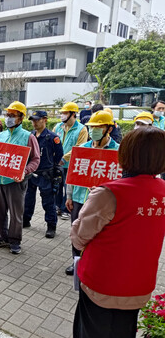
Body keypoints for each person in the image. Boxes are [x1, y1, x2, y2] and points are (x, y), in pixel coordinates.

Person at [71, 127, 165, 338]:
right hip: (138, 285)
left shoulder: (109, 192)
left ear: (126, 154)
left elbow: (80, 238)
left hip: (101, 284)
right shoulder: (162, 192)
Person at [64, 111, 119, 276]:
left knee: (100, 234)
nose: (94, 130)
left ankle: (96, 264)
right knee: (77, 231)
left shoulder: (117, 151)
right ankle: (77, 261)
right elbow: (72, 175)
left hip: (102, 203)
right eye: (92, 127)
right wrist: (69, 196)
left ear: (108, 129)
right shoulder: (82, 149)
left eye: (98, 127)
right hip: (80, 198)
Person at [0, 101, 40, 255]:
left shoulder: (28, 137)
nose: (9, 118)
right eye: (7, 115)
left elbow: (36, 159)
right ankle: (2, 237)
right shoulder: (1, 135)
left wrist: (24, 171)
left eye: (13, 115)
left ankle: (14, 240)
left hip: (15, 182)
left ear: (20, 118)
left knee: (16, 213)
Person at [23, 110, 64, 239]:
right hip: (31, 173)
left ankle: (51, 226)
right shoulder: (30, 135)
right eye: (33, 120)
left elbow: (59, 156)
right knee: (28, 199)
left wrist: (53, 168)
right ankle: (25, 219)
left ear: (45, 120)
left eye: (37, 120)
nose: (34, 122)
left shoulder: (52, 137)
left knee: (48, 201)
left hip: (46, 175)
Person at [53, 102, 88, 221]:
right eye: (62, 113)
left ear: (73, 114)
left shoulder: (81, 129)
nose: (62, 115)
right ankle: (57, 206)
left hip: (72, 164)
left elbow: (80, 147)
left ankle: (65, 209)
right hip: (57, 163)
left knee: (68, 187)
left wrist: (64, 158)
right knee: (57, 186)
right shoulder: (58, 127)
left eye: (65, 113)